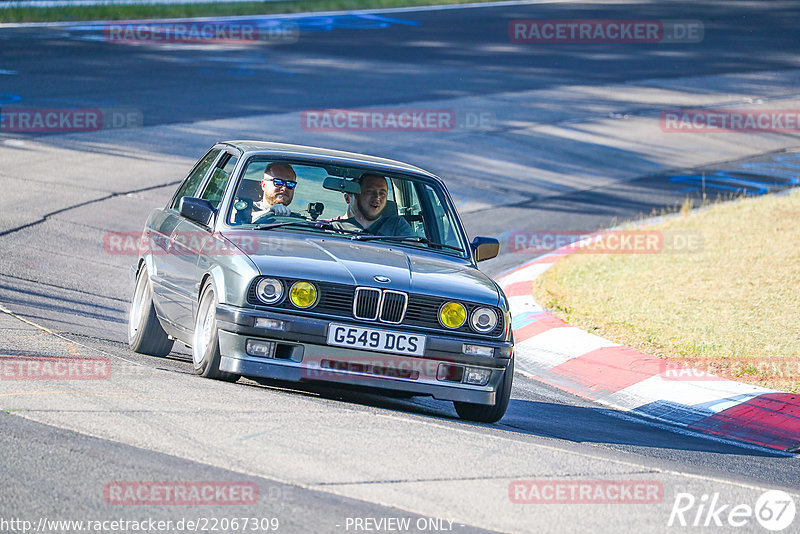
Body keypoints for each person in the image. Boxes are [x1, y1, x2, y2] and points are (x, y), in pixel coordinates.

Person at [333, 173, 414, 236]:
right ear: (348, 198)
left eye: (382, 193)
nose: (377, 197)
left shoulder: (397, 226)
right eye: (370, 192)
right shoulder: (332, 227)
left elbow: (416, 252)